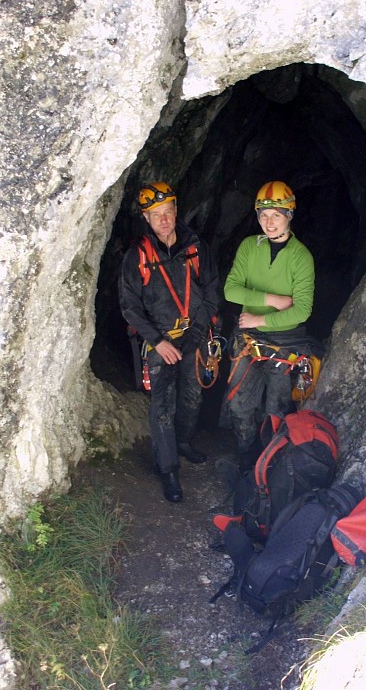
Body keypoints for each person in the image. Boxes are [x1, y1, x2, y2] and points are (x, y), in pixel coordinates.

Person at [119, 182, 221, 503]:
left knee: (192, 395)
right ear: (146, 219)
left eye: (168, 212)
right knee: (163, 404)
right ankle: (168, 468)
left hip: (194, 333)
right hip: (160, 340)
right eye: (156, 215)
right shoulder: (137, 257)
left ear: (176, 211)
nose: (164, 220)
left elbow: (211, 291)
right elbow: (129, 307)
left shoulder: (195, 248)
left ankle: (183, 441)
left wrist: (198, 331)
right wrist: (157, 341)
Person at [224, 180, 315, 471]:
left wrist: (259, 318)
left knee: (275, 410)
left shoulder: (301, 258)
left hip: (283, 342)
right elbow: (230, 290)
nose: (269, 222)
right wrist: (272, 299)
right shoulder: (250, 247)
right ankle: (245, 458)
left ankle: (269, 465)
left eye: (276, 214)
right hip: (248, 340)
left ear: (289, 215)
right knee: (239, 405)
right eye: (263, 215)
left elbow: (302, 311)